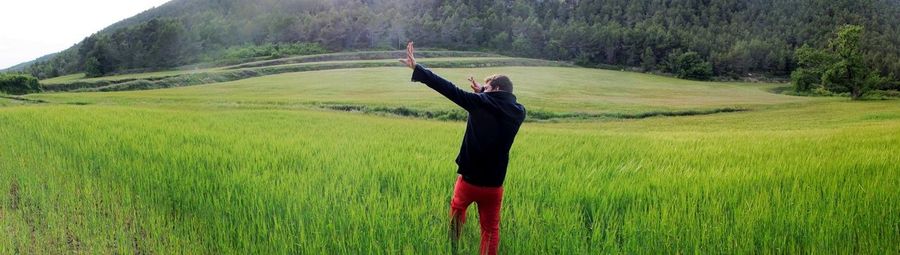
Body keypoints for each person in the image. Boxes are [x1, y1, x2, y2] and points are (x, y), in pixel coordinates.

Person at [399, 42, 526, 255]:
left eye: (486, 87)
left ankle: (453, 248)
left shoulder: (478, 103)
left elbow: (447, 88)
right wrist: (482, 92)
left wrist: (417, 68)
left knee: (457, 213)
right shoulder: (519, 112)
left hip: (469, 180)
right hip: (495, 184)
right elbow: (499, 104)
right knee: (490, 230)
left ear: (494, 89)